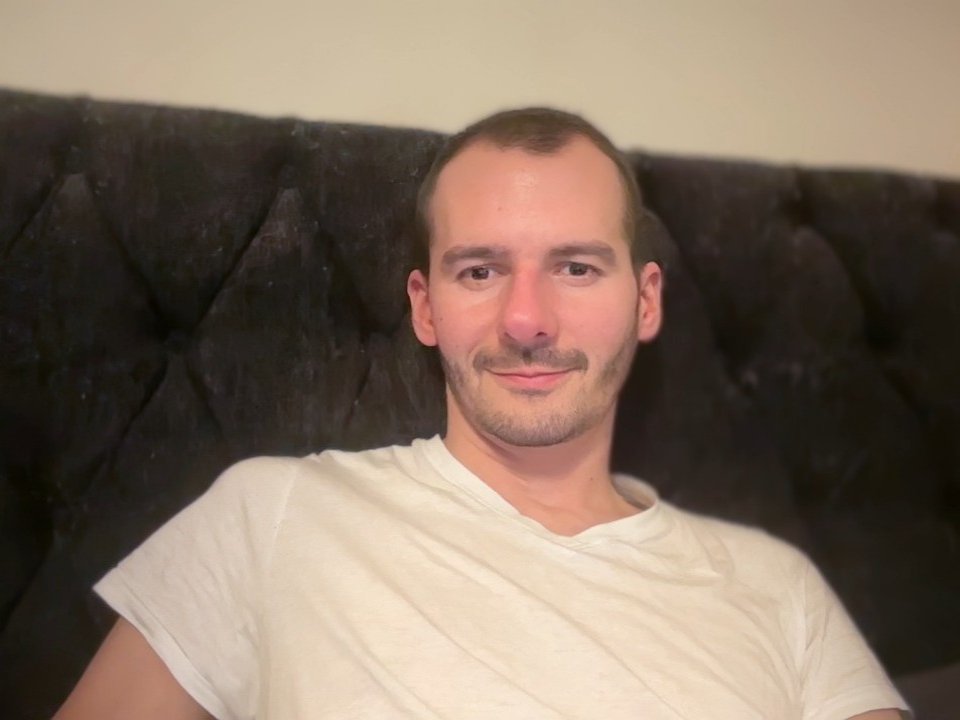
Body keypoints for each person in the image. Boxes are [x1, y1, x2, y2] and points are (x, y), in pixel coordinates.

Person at [54, 108, 910, 719]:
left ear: (647, 302)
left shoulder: (774, 586)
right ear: (424, 309)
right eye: (479, 271)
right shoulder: (274, 515)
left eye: (575, 268)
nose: (526, 320)